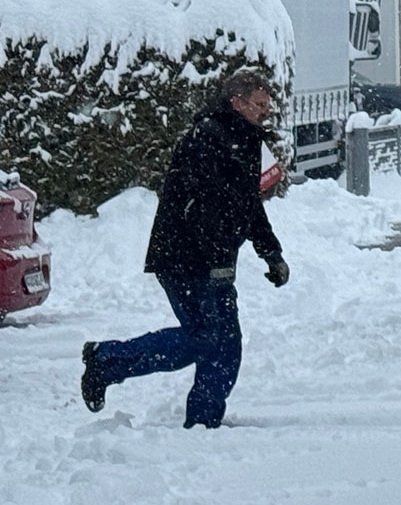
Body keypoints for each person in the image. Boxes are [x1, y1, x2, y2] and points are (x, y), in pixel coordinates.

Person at [80, 68, 290, 427]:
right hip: (186, 259)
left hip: (208, 259)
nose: (266, 111)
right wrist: (215, 258)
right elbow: (202, 207)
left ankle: (199, 419)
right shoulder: (208, 139)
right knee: (210, 340)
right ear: (237, 102)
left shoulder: (245, 139)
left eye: (267, 105)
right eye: (259, 104)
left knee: (217, 342)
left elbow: (247, 204)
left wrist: (271, 252)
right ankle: (110, 362)